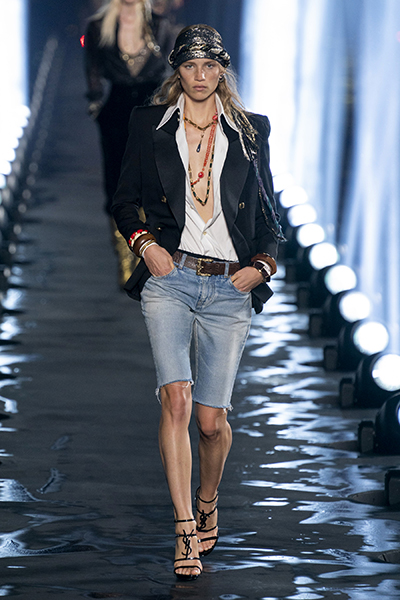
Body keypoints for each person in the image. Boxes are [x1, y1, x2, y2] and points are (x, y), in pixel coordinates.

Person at [112, 24, 285, 580]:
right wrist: (146, 246)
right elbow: (125, 202)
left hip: (230, 285)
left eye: (211, 66)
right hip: (171, 279)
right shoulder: (149, 125)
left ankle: (208, 499)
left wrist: (262, 266)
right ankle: (185, 526)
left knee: (211, 423)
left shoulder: (251, 131)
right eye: (191, 66)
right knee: (177, 401)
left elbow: (269, 215)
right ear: (177, 70)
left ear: (223, 70)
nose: (201, 76)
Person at [83, 0, 177, 286]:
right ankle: (125, 254)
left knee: (153, 182)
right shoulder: (98, 27)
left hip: (152, 111)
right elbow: (92, 69)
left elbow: (172, 69)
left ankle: (147, 252)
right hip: (116, 113)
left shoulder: (160, 26)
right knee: (116, 182)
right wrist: (96, 104)